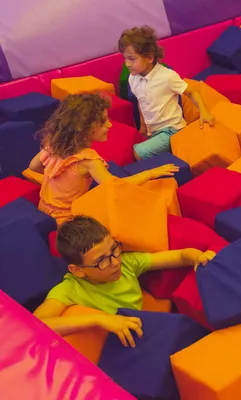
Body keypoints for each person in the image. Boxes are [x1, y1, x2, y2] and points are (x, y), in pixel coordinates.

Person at [33, 216, 216, 348]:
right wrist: (99, 319)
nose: (114, 263)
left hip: (142, 326)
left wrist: (197, 256)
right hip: (115, 344)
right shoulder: (69, 289)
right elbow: (35, 325)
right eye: (101, 261)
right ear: (78, 270)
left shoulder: (127, 263)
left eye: (114, 249)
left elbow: (177, 256)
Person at [29, 94, 179, 225]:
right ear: (85, 130)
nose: (110, 125)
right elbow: (115, 186)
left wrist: (60, 177)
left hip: (43, 209)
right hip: (66, 220)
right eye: (103, 122)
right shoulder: (88, 160)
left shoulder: (55, 143)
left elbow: (33, 166)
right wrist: (150, 173)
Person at [119, 25, 215, 160]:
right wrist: (143, 128)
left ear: (149, 58)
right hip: (154, 132)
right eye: (125, 58)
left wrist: (204, 113)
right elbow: (141, 101)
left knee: (137, 153)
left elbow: (192, 92)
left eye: (132, 59)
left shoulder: (167, 77)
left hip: (172, 130)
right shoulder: (133, 78)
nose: (127, 64)